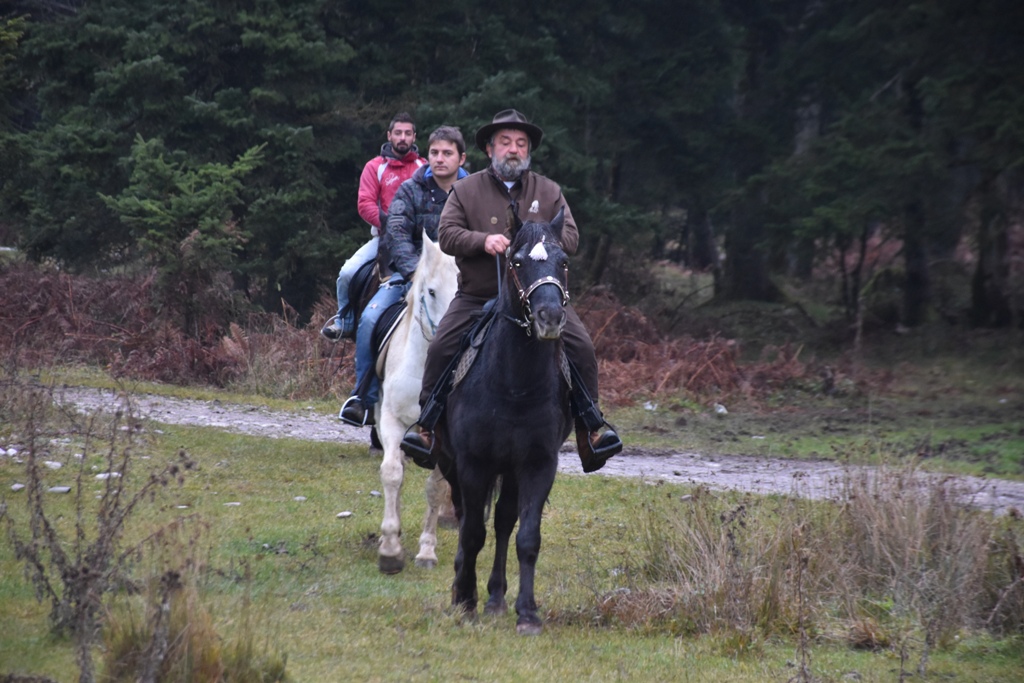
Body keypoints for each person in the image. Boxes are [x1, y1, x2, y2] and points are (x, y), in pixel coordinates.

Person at [400, 109, 622, 472]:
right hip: (477, 296)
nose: (513, 150)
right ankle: (428, 429)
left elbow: (571, 237)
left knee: (581, 344)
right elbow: (448, 234)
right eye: (505, 143)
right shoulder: (465, 189)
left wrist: (533, 238)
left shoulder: (549, 191)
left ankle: (591, 428)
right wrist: (483, 240)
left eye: (521, 144)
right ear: (490, 149)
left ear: (529, 151)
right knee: (442, 346)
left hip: (539, 296)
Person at [338, 126, 469, 426]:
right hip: (409, 276)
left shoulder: (473, 192)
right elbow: (396, 230)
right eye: (434, 152)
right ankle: (364, 397)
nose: (439, 159)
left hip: (462, 281)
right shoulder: (410, 189)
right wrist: (414, 272)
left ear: (461, 158)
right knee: (371, 318)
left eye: (447, 153)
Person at [321, 112, 426, 341]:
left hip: (421, 240)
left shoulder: (424, 166)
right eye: (398, 133)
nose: (402, 138)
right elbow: (365, 203)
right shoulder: (374, 167)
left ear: (414, 136)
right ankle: (345, 321)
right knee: (347, 273)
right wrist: (391, 224)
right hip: (383, 239)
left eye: (408, 133)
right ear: (389, 135)